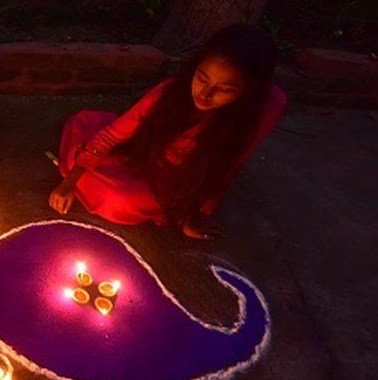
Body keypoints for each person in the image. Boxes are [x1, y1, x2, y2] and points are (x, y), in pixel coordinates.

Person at [48, 23, 287, 239]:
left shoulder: (264, 109)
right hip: (144, 154)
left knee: (122, 203)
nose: (204, 94)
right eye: (202, 78)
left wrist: (199, 214)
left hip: (179, 181)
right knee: (85, 161)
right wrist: (68, 184)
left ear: (248, 91)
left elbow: (228, 165)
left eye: (223, 89)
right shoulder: (169, 93)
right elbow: (112, 135)